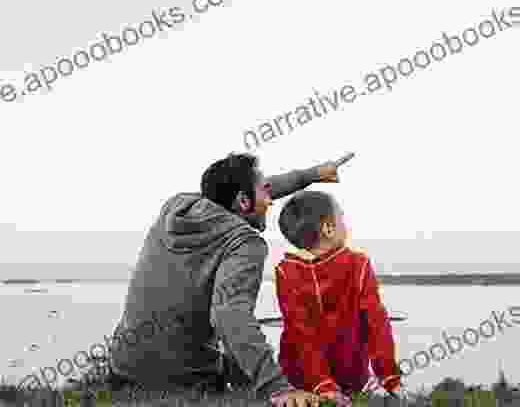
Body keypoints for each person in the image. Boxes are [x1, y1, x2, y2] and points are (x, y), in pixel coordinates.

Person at [106, 151, 355, 407]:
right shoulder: (244, 242)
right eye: (265, 192)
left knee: (245, 359)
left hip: (122, 371)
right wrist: (279, 389)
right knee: (291, 374)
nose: (270, 200)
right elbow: (229, 315)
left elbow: (241, 192)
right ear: (243, 202)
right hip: (183, 381)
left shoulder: (177, 205)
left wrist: (311, 175)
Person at [275, 190, 402, 406]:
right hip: (350, 377)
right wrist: (390, 378)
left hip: (298, 378)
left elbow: (299, 331)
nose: (345, 224)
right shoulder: (358, 265)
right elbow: (376, 325)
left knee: (298, 333)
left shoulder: (285, 271)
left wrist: (321, 384)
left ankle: (323, 389)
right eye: (341, 217)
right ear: (329, 228)